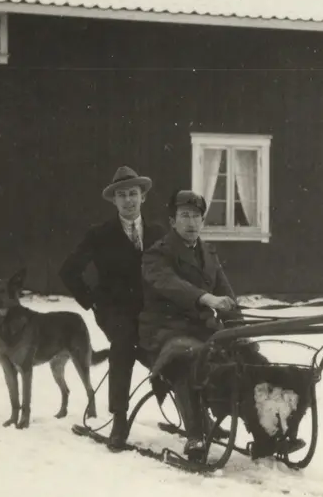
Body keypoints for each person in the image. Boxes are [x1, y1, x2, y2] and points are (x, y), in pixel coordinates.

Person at [139, 189, 250, 462]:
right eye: (184, 216)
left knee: (248, 356)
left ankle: (264, 431)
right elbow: (170, 284)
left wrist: (240, 330)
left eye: (196, 216)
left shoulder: (209, 254)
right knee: (188, 357)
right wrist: (205, 297)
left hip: (202, 330)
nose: (191, 222)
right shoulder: (157, 254)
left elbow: (227, 296)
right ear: (172, 221)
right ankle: (195, 435)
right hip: (165, 331)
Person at [60, 166, 166, 450]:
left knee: (165, 350)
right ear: (114, 201)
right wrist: (92, 300)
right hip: (114, 311)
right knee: (124, 344)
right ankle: (119, 419)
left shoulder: (159, 232)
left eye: (133, 194)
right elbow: (68, 271)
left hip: (150, 311)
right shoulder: (100, 234)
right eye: (122, 196)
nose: (128, 200)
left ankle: (192, 417)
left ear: (143, 196)